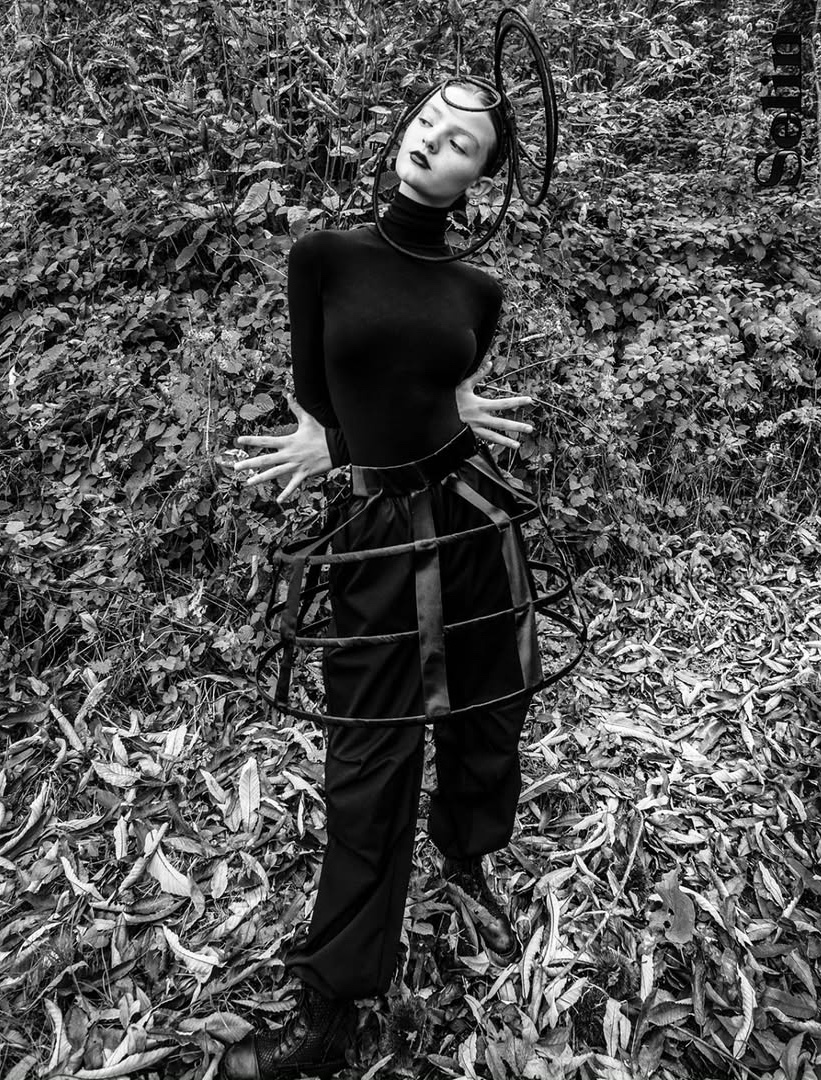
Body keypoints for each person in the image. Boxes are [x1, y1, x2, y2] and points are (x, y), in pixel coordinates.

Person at [222, 82, 547, 1080]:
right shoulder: (323, 256)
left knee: (491, 704)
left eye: (464, 142)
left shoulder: (479, 290)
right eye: (428, 122)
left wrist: (450, 405)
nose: (435, 141)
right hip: (373, 531)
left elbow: (444, 390)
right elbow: (322, 402)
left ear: (482, 175)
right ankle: (333, 1005)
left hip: (471, 515)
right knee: (369, 758)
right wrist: (335, 443)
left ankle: (468, 854)